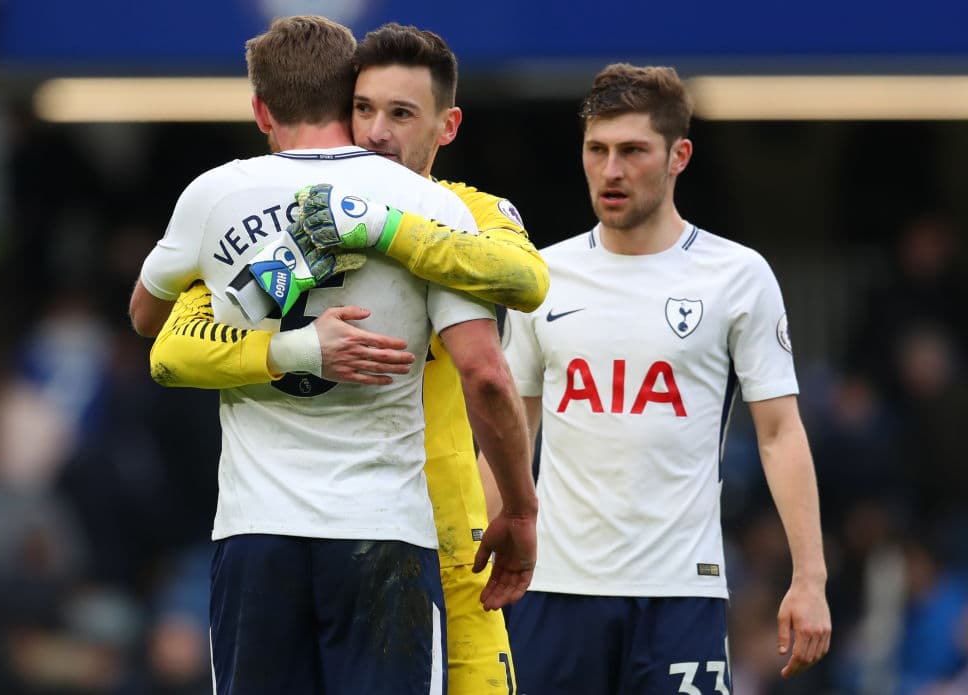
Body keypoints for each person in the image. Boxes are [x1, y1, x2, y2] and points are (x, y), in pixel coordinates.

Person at [128, 16, 538, 695]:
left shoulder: (217, 195)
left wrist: (242, 285)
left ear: (261, 109)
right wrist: (521, 509)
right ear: (346, 100)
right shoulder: (434, 206)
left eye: (400, 113)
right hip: (389, 529)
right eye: (368, 109)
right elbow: (486, 373)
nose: (378, 131)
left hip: (259, 532)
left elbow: (151, 324)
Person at [490, 63, 832, 694]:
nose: (611, 170)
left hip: (679, 593)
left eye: (632, 151)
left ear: (679, 156)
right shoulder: (541, 275)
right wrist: (472, 560)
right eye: (597, 150)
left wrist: (809, 578)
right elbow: (512, 431)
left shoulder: (737, 276)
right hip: (555, 591)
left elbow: (780, 433)